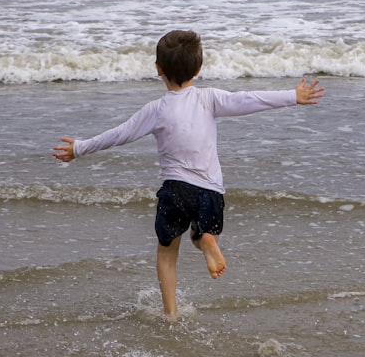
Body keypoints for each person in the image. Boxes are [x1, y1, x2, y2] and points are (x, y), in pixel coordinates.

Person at [52, 30, 324, 321]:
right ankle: (206, 240)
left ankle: (170, 313)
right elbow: (248, 99)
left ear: (158, 69)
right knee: (206, 231)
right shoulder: (210, 99)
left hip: (175, 191)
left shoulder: (155, 109)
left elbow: (119, 134)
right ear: (198, 69)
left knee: (167, 253)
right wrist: (292, 96)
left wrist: (80, 148)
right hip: (210, 192)